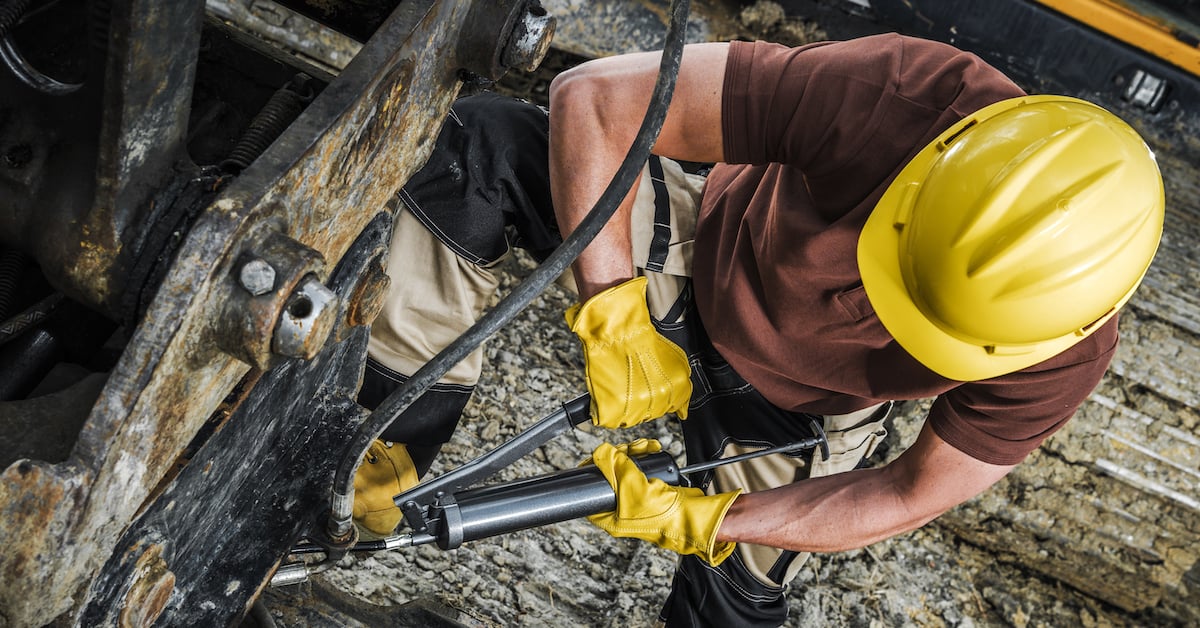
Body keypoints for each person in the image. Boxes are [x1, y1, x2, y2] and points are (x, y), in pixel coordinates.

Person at [353, 33, 1165, 626]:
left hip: (809, 412)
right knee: (478, 151)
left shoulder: (1062, 352)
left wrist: (708, 520)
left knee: (735, 608)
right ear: (931, 174)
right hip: (707, 253)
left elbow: (906, 493)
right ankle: (369, 454)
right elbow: (595, 99)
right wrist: (613, 310)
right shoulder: (902, 96)